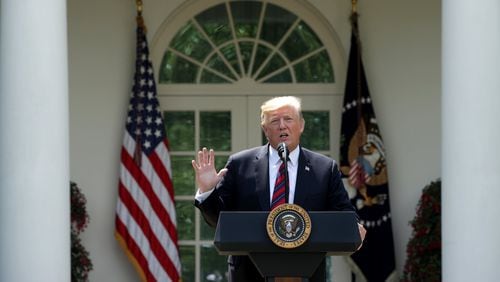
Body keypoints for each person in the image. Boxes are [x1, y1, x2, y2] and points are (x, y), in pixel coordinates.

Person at [192, 96, 366, 282]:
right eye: (275, 121)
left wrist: (353, 227)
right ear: (266, 130)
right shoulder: (240, 164)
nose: (282, 126)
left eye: (288, 119)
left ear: (301, 125)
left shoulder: (325, 168)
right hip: (249, 274)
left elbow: (345, 213)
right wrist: (209, 190)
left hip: (306, 273)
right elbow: (217, 221)